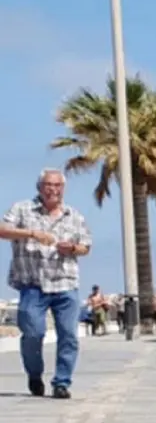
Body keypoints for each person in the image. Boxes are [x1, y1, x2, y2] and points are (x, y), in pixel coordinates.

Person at [0, 168, 92, 400]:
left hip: (65, 283)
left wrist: (71, 248)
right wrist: (32, 233)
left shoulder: (74, 215)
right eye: (49, 185)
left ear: (64, 189)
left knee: (69, 336)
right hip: (32, 284)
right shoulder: (22, 209)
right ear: (40, 187)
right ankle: (34, 374)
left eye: (58, 185)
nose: (53, 189)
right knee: (32, 333)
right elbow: (3, 231)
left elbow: (86, 247)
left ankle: (61, 382)